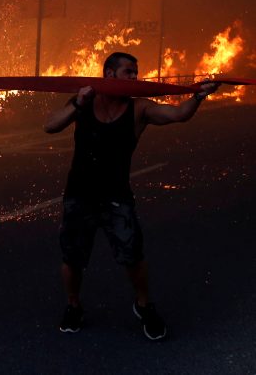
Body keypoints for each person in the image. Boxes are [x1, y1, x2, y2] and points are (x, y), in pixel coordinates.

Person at [44, 51, 218, 340]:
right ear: (109, 75)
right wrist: (77, 102)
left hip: (116, 197)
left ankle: (144, 306)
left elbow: (178, 115)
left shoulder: (139, 109)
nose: (135, 78)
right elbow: (50, 126)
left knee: (133, 257)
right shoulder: (83, 102)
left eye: (136, 72)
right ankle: (73, 306)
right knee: (72, 259)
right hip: (80, 194)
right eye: (129, 72)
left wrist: (198, 96)